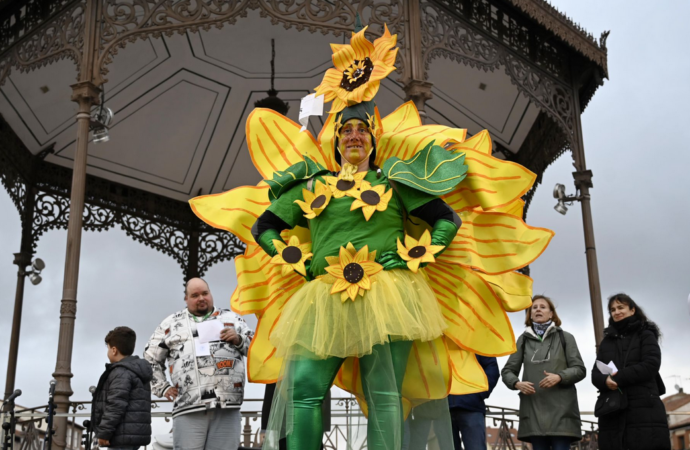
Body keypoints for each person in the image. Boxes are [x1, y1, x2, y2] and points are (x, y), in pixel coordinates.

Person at [189, 20, 555, 450]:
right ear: (337, 141)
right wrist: (298, 261)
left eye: (362, 130)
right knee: (305, 390)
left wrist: (415, 254)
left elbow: (447, 221)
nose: (354, 136)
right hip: (323, 297)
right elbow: (264, 225)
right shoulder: (312, 185)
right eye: (346, 130)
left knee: (385, 395)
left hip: (389, 294)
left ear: (373, 139)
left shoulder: (395, 181)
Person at [144, 277, 254, 450]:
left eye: (205, 293)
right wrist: (162, 387)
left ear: (210, 294)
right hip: (189, 408)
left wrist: (239, 340)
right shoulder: (171, 323)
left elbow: (257, 347)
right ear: (186, 299)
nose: (201, 298)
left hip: (227, 407)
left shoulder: (233, 319)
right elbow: (150, 358)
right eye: (195, 295)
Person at [501, 295, 586, 450]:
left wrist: (560, 376)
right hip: (533, 412)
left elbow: (579, 369)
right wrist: (517, 383)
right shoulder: (523, 340)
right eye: (534, 307)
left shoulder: (565, 337)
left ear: (551, 313)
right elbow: (507, 371)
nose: (538, 309)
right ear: (530, 314)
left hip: (562, 413)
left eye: (543, 307)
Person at [591, 293, 670, 450]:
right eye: (613, 309)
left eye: (621, 307)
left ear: (632, 310)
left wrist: (617, 378)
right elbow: (595, 373)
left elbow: (651, 365)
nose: (617, 312)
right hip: (613, 411)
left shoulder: (646, 334)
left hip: (644, 407)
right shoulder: (607, 341)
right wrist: (604, 381)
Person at [91, 326, 152, 450]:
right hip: (133, 434)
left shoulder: (121, 372)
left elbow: (115, 405)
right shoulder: (136, 370)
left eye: (108, 348)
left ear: (114, 350)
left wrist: (104, 433)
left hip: (121, 435)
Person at [447, 356, 499, 450]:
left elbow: (492, 368)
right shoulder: (439, 341)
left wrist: (479, 393)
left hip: (471, 407)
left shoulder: (478, 341)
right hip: (444, 408)